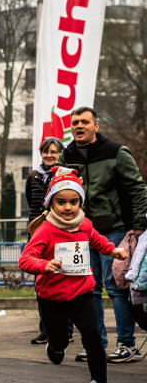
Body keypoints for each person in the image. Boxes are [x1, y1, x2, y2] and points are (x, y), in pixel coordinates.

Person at [18, 169, 125, 383]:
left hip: (81, 292)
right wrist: (44, 265)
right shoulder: (45, 230)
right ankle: (55, 345)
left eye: (74, 202)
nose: (68, 207)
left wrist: (112, 250)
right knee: (60, 342)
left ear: (80, 202)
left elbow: (97, 240)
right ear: (51, 203)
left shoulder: (84, 225)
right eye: (61, 202)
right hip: (52, 297)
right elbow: (25, 259)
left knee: (93, 337)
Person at [56, 107, 147, 363]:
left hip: (115, 229)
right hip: (80, 232)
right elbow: (57, 192)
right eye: (75, 122)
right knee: (88, 289)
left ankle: (127, 345)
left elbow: (138, 188)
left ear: (96, 126)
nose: (79, 126)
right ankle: (95, 344)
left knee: (117, 287)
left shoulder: (116, 152)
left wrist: (139, 224)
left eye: (85, 122)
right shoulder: (66, 156)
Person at [26, 137, 64, 344]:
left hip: (58, 233)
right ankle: (47, 328)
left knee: (62, 279)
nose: (49, 155)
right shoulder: (34, 176)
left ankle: (65, 329)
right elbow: (31, 202)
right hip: (37, 234)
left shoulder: (64, 175)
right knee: (40, 281)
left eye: (54, 151)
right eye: (45, 151)